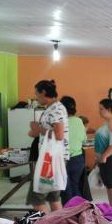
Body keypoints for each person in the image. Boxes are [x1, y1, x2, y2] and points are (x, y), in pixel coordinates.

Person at [27, 80, 70, 213]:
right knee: (53, 198)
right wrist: (36, 131)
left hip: (51, 159)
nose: (36, 97)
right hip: (52, 157)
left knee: (36, 198)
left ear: (44, 92)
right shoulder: (51, 108)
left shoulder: (56, 109)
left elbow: (59, 135)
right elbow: (50, 132)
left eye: (37, 94)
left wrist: (39, 129)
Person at [59, 96, 87, 205]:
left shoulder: (60, 122)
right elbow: (83, 139)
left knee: (66, 190)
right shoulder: (79, 121)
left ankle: (69, 214)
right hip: (78, 159)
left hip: (64, 159)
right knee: (75, 186)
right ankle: (80, 211)